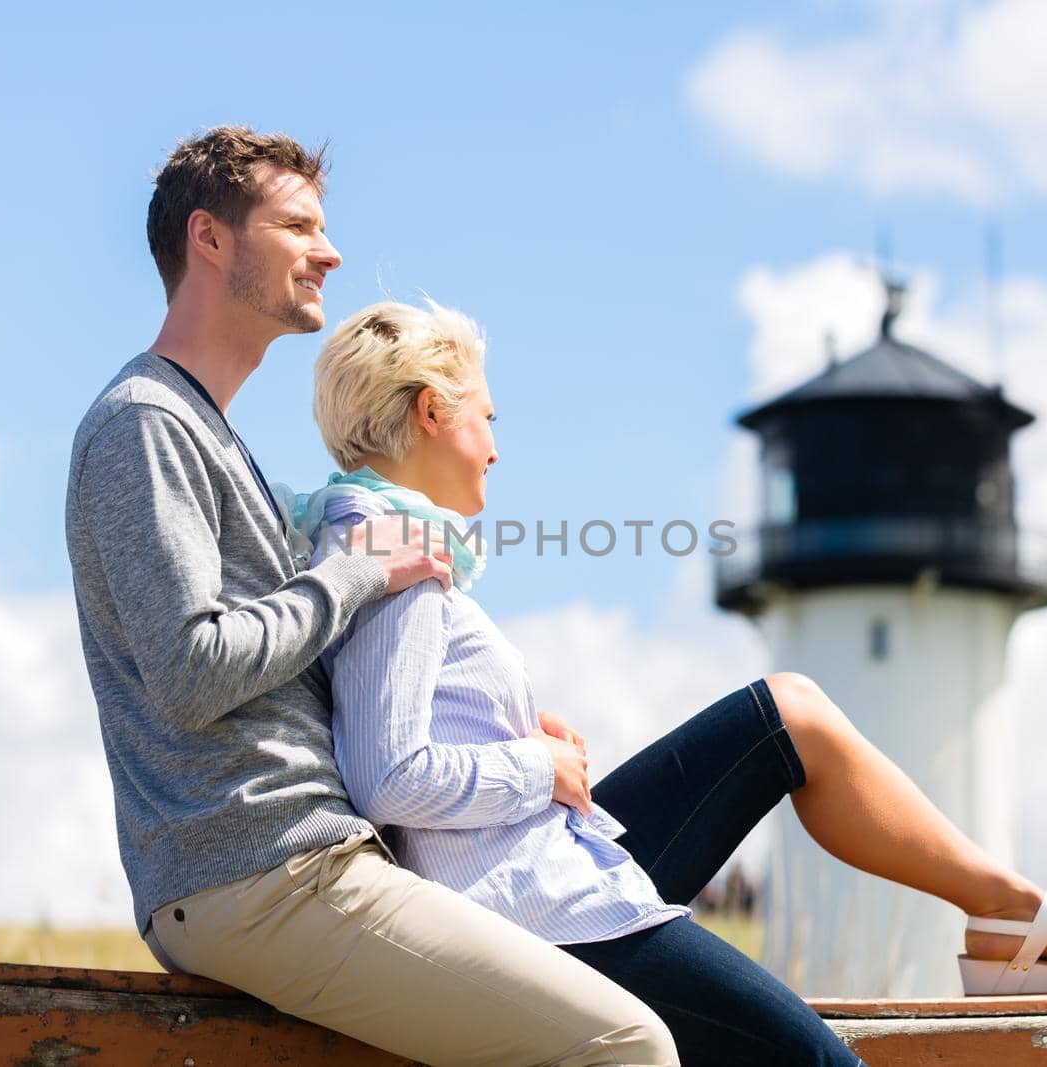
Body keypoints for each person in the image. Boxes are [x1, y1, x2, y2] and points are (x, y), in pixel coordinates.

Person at [287, 299, 1047, 1067]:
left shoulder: (380, 539)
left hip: (549, 871)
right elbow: (389, 776)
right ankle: (1018, 922)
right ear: (434, 410)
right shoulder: (392, 549)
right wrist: (535, 764)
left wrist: (519, 733)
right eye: (487, 416)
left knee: (789, 713)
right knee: (817, 1064)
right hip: (537, 920)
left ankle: (1010, 912)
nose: (496, 448)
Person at [65, 127, 682, 1066]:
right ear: (211, 239)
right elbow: (191, 670)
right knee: (625, 1044)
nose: (332, 250)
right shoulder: (144, 424)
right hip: (263, 868)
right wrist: (359, 570)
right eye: (299, 224)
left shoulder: (208, 432)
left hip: (285, 865)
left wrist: (494, 723)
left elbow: (293, 678)